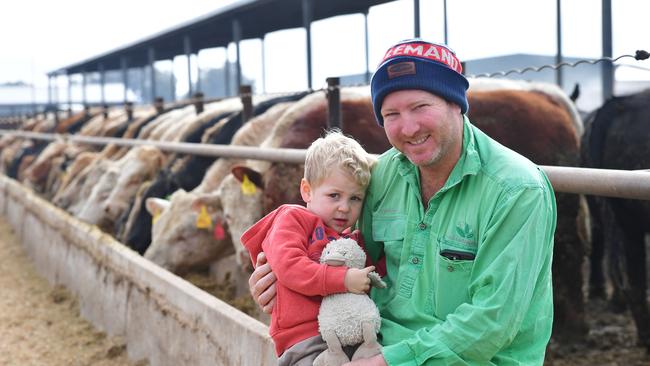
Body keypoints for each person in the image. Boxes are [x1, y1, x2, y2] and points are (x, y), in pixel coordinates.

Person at [249, 38, 557, 365]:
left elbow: (494, 320)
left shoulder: (516, 190)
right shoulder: (382, 176)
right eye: (391, 114)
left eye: (420, 107)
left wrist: (388, 362)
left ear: (456, 104)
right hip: (376, 345)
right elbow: (341, 254)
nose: (408, 128)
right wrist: (275, 282)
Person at [240, 130, 378, 365]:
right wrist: (343, 279)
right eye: (334, 195)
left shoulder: (348, 239)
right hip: (304, 338)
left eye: (355, 198)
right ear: (307, 190)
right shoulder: (291, 219)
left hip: (346, 332)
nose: (344, 207)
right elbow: (289, 266)